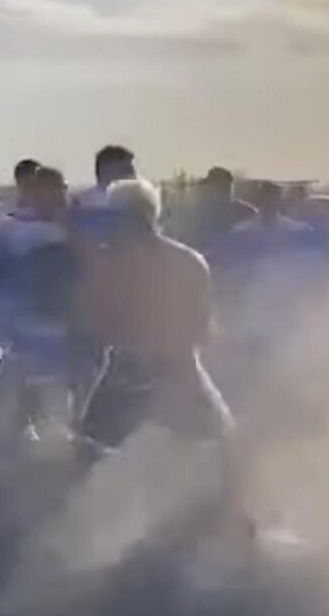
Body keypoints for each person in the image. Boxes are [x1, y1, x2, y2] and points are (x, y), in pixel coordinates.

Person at [77, 179, 234, 460]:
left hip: (166, 368)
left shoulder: (180, 262)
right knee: (88, 447)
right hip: (144, 367)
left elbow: (200, 325)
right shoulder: (183, 260)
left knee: (221, 447)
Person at [0, 166, 76, 440]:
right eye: (52, 190)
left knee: (57, 391)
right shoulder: (15, 229)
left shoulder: (73, 226)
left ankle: (56, 447)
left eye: (61, 189)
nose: (58, 196)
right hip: (29, 322)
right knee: (30, 389)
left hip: (65, 320)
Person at [73, 145, 137, 210]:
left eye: (132, 171)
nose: (133, 177)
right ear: (105, 172)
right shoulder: (81, 203)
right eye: (126, 171)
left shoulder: (139, 202)